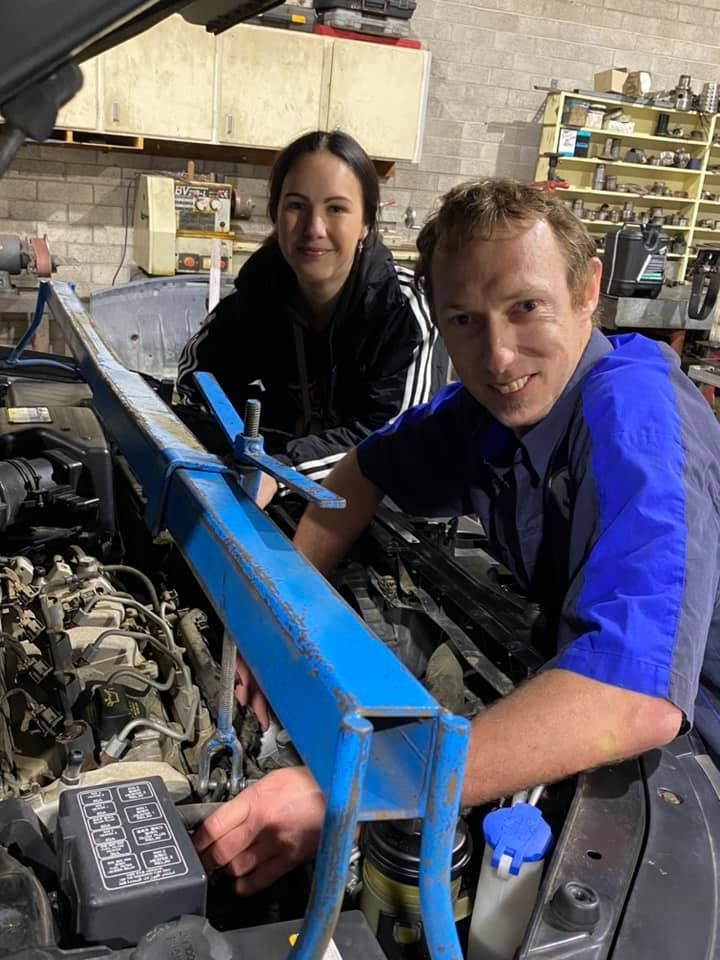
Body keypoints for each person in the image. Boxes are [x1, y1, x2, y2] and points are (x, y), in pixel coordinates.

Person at [193, 177, 720, 896]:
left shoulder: (638, 418)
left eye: (526, 307)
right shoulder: (483, 414)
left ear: (587, 289)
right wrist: (276, 626)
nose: (498, 357)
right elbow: (361, 471)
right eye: (465, 320)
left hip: (697, 757)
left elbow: (634, 698)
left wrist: (359, 788)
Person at [176, 130, 441, 509]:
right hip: (287, 482)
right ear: (275, 214)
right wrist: (244, 445)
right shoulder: (259, 293)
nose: (314, 228)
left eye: (336, 208)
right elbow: (198, 379)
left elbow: (390, 437)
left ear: (366, 223)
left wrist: (280, 468)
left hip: (381, 502)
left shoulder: (401, 309)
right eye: (297, 205)